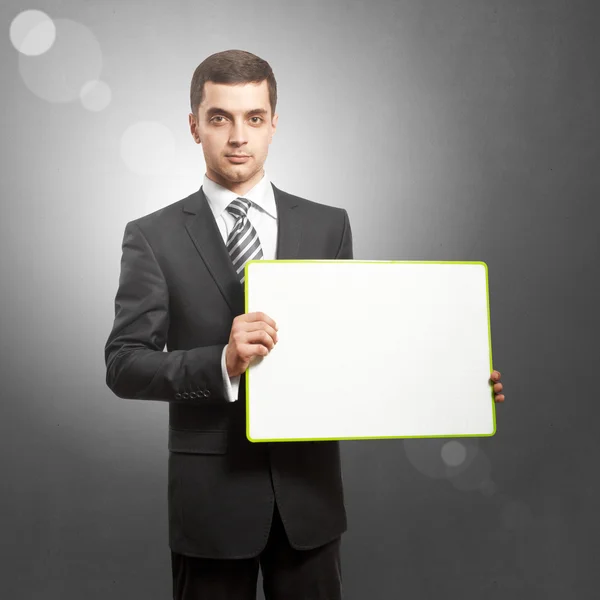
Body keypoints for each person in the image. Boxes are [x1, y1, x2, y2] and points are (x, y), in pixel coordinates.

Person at [104, 49, 505, 600]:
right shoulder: (152, 235)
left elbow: (357, 350)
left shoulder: (326, 225)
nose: (238, 136)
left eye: (254, 118)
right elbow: (124, 363)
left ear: (274, 124)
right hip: (211, 503)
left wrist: (455, 384)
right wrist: (221, 361)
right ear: (194, 126)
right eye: (220, 118)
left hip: (308, 500)